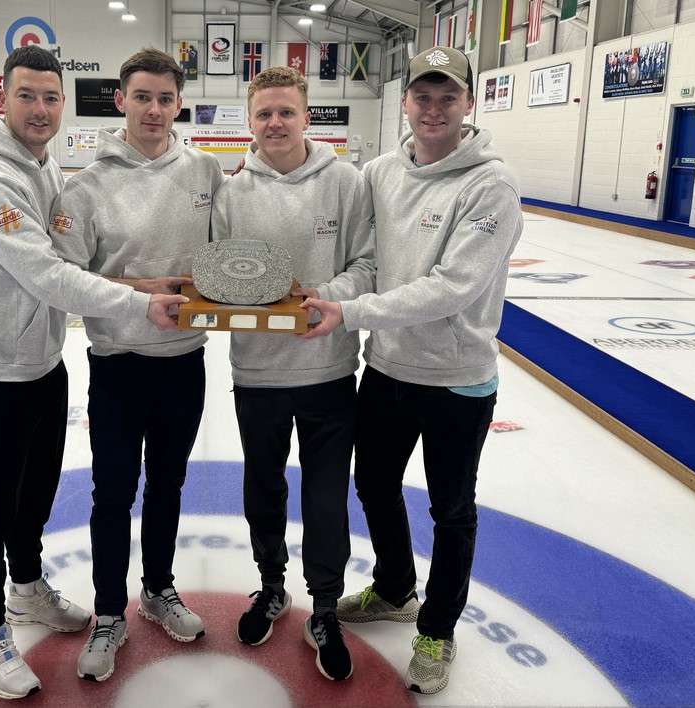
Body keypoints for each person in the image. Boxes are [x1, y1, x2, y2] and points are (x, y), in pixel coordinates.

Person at [0, 45, 187, 701]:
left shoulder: (39, 164)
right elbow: (47, 273)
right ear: (1, 98)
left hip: (39, 358)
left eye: (51, 97)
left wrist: (137, 283)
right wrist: (138, 302)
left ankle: (25, 588)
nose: (41, 108)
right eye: (27, 95)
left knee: (35, 495)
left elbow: (65, 263)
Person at [301, 46, 523, 695]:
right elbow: (352, 235)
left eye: (447, 97)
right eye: (422, 96)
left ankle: (437, 628)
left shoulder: (490, 184)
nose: (433, 109)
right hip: (388, 370)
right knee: (373, 484)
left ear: (468, 103)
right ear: (404, 101)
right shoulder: (381, 172)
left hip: (457, 377)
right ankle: (396, 587)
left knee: (451, 511)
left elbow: (453, 287)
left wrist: (351, 311)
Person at [50, 47, 224, 683]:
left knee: (168, 486)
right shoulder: (85, 188)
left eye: (166, 99)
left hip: (184, 362)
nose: (154, 109)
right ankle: (107, 613)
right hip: (117, 364)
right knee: (113, 493)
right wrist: (137, 289)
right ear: (120, 100)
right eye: (143, 97)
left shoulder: (206, 172)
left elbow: (227, 258)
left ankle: (157, 589)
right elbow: (64, 276)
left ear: (180, 105)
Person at [210, 66, 375, 682]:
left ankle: (325, 606)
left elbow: (368, 264)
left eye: (286, 112)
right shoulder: (231, 193)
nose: (275, 123)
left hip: (329, 371)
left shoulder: (346, 183)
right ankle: (272, 585)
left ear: (307, 117)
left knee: (326, 497)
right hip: (257, 373)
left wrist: (325, 296)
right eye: (264, 114)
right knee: (264, 489)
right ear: (249, 123)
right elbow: (217, 277)